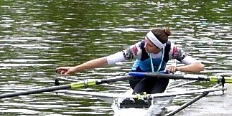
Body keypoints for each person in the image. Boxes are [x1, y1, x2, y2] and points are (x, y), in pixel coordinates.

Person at [56, 28, 204, 94]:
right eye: (145, 41)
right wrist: (76, 68)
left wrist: (177, 68)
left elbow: (199, 66)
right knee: (153, 77)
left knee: (163, 76)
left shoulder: (172, 50)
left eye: (149, 45)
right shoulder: (137, 50)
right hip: (137, 78)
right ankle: (139, 98)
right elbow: (106, 60)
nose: (145, 46)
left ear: (159, 47)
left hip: (159, 78)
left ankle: (151, 100)